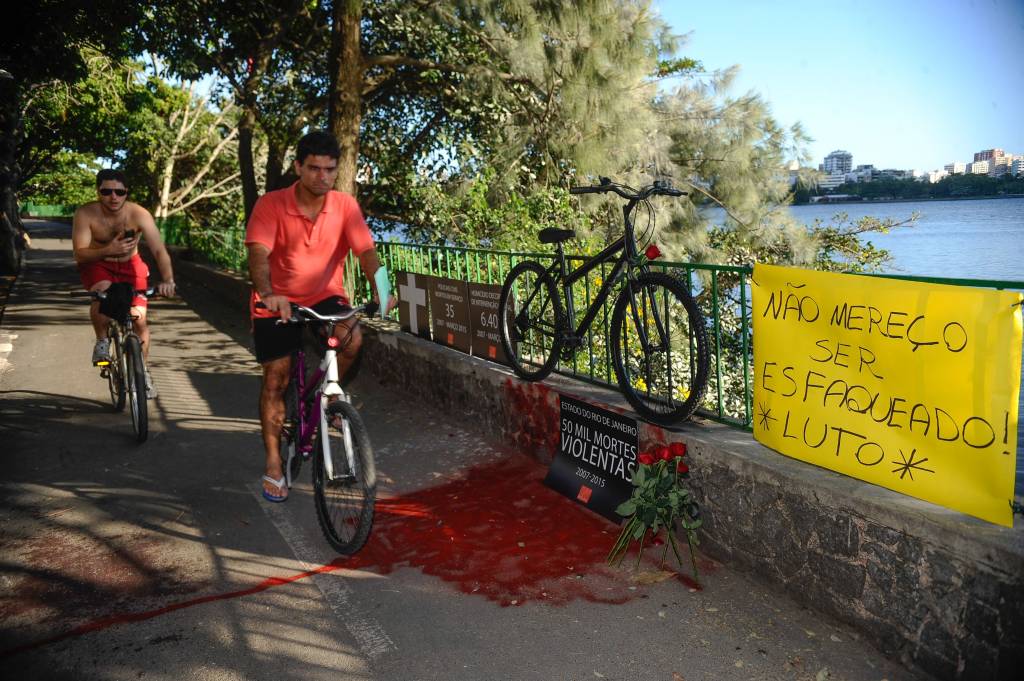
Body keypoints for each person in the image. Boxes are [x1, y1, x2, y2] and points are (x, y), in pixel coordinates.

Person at [245, 130, 391, 503]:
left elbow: (367, 253)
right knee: (276, 378)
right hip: (277, 300)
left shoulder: (344, 206)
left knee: (352, 337)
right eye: (314, 169)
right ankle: (275, 463)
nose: (322, 177)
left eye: (329, 170)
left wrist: (383, 288)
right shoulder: (271, 204)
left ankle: (329, 398)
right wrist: (268, 294)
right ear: (298, 167)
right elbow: (259, 255)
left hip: (326, 296)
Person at [72, 169, 176, 398]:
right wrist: (109, 250)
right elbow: (80, 254)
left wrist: (168, 280)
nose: (113, 197)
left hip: (132, 266)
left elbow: (159, 250)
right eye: (107, 191)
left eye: (119, 192)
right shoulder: (85, 214)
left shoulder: (138, 214)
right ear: (98, 191)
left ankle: (142, 371)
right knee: (103, 294)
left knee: (140, 319)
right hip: (98, 264)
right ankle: (101, 342)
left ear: (126, 192)